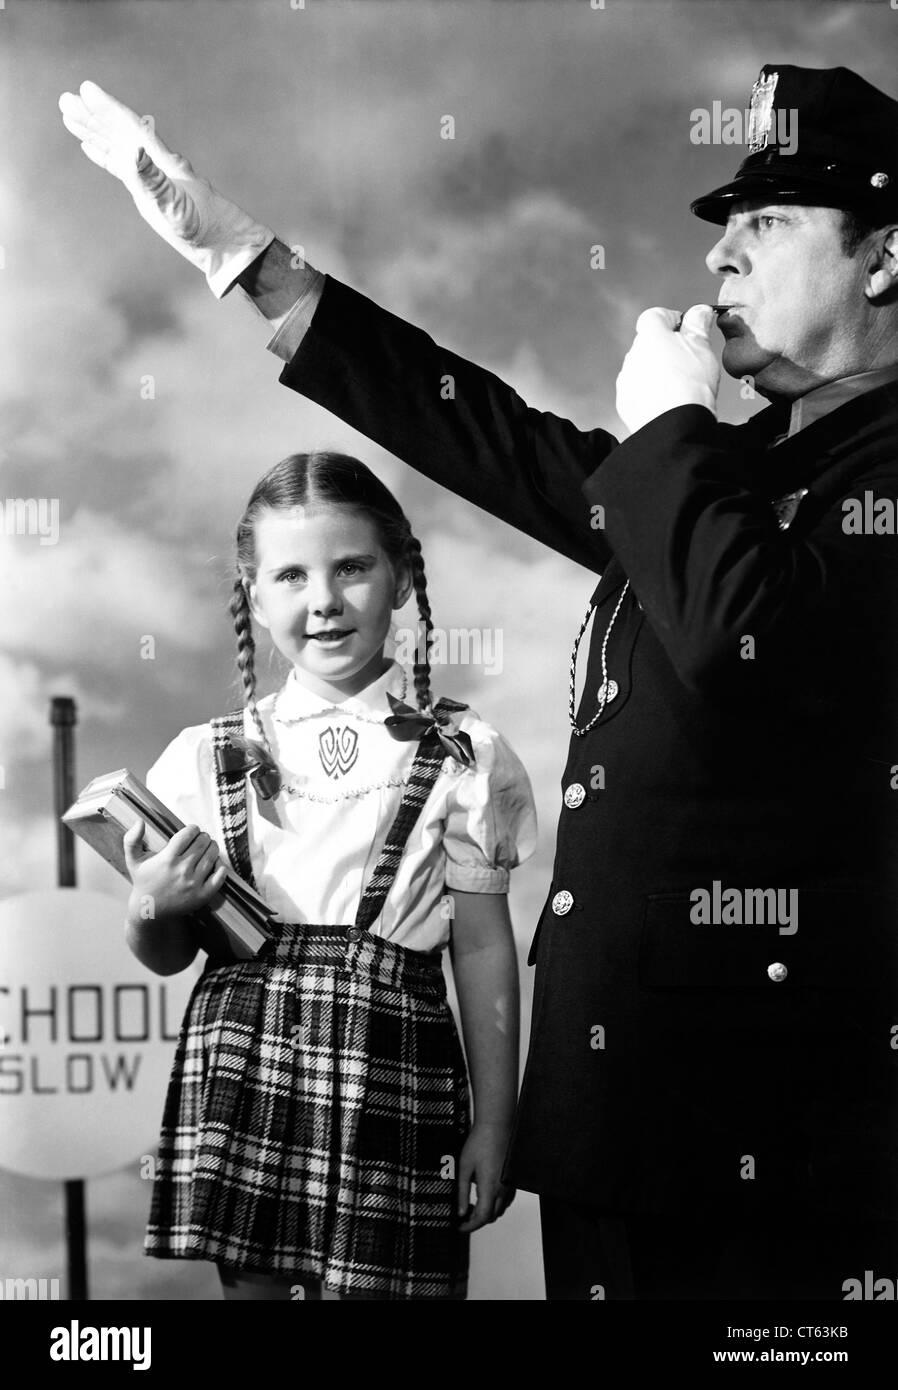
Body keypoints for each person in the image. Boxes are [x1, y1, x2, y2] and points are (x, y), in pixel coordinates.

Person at [60, 62, 898, 1300]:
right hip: (623, 1110)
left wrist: (673, 432)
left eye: (765, 227)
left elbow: (743, 630)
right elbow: (492, 437)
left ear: (883, 260)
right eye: (721, 233)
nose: (720, 261)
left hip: (778, 1128)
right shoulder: (719, 474)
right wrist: (252, 267)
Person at [118, 450, 537, 1300]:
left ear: (402, 575)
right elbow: (163, 952)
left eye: (351, 568)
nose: (324, 600)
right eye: (292, 575)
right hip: (248, 1058)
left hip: (398, 1060)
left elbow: (485, 953)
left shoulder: (462, 752)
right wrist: (152, 903)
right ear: (254, 593)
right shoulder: (207, 755)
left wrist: (496, 1124)